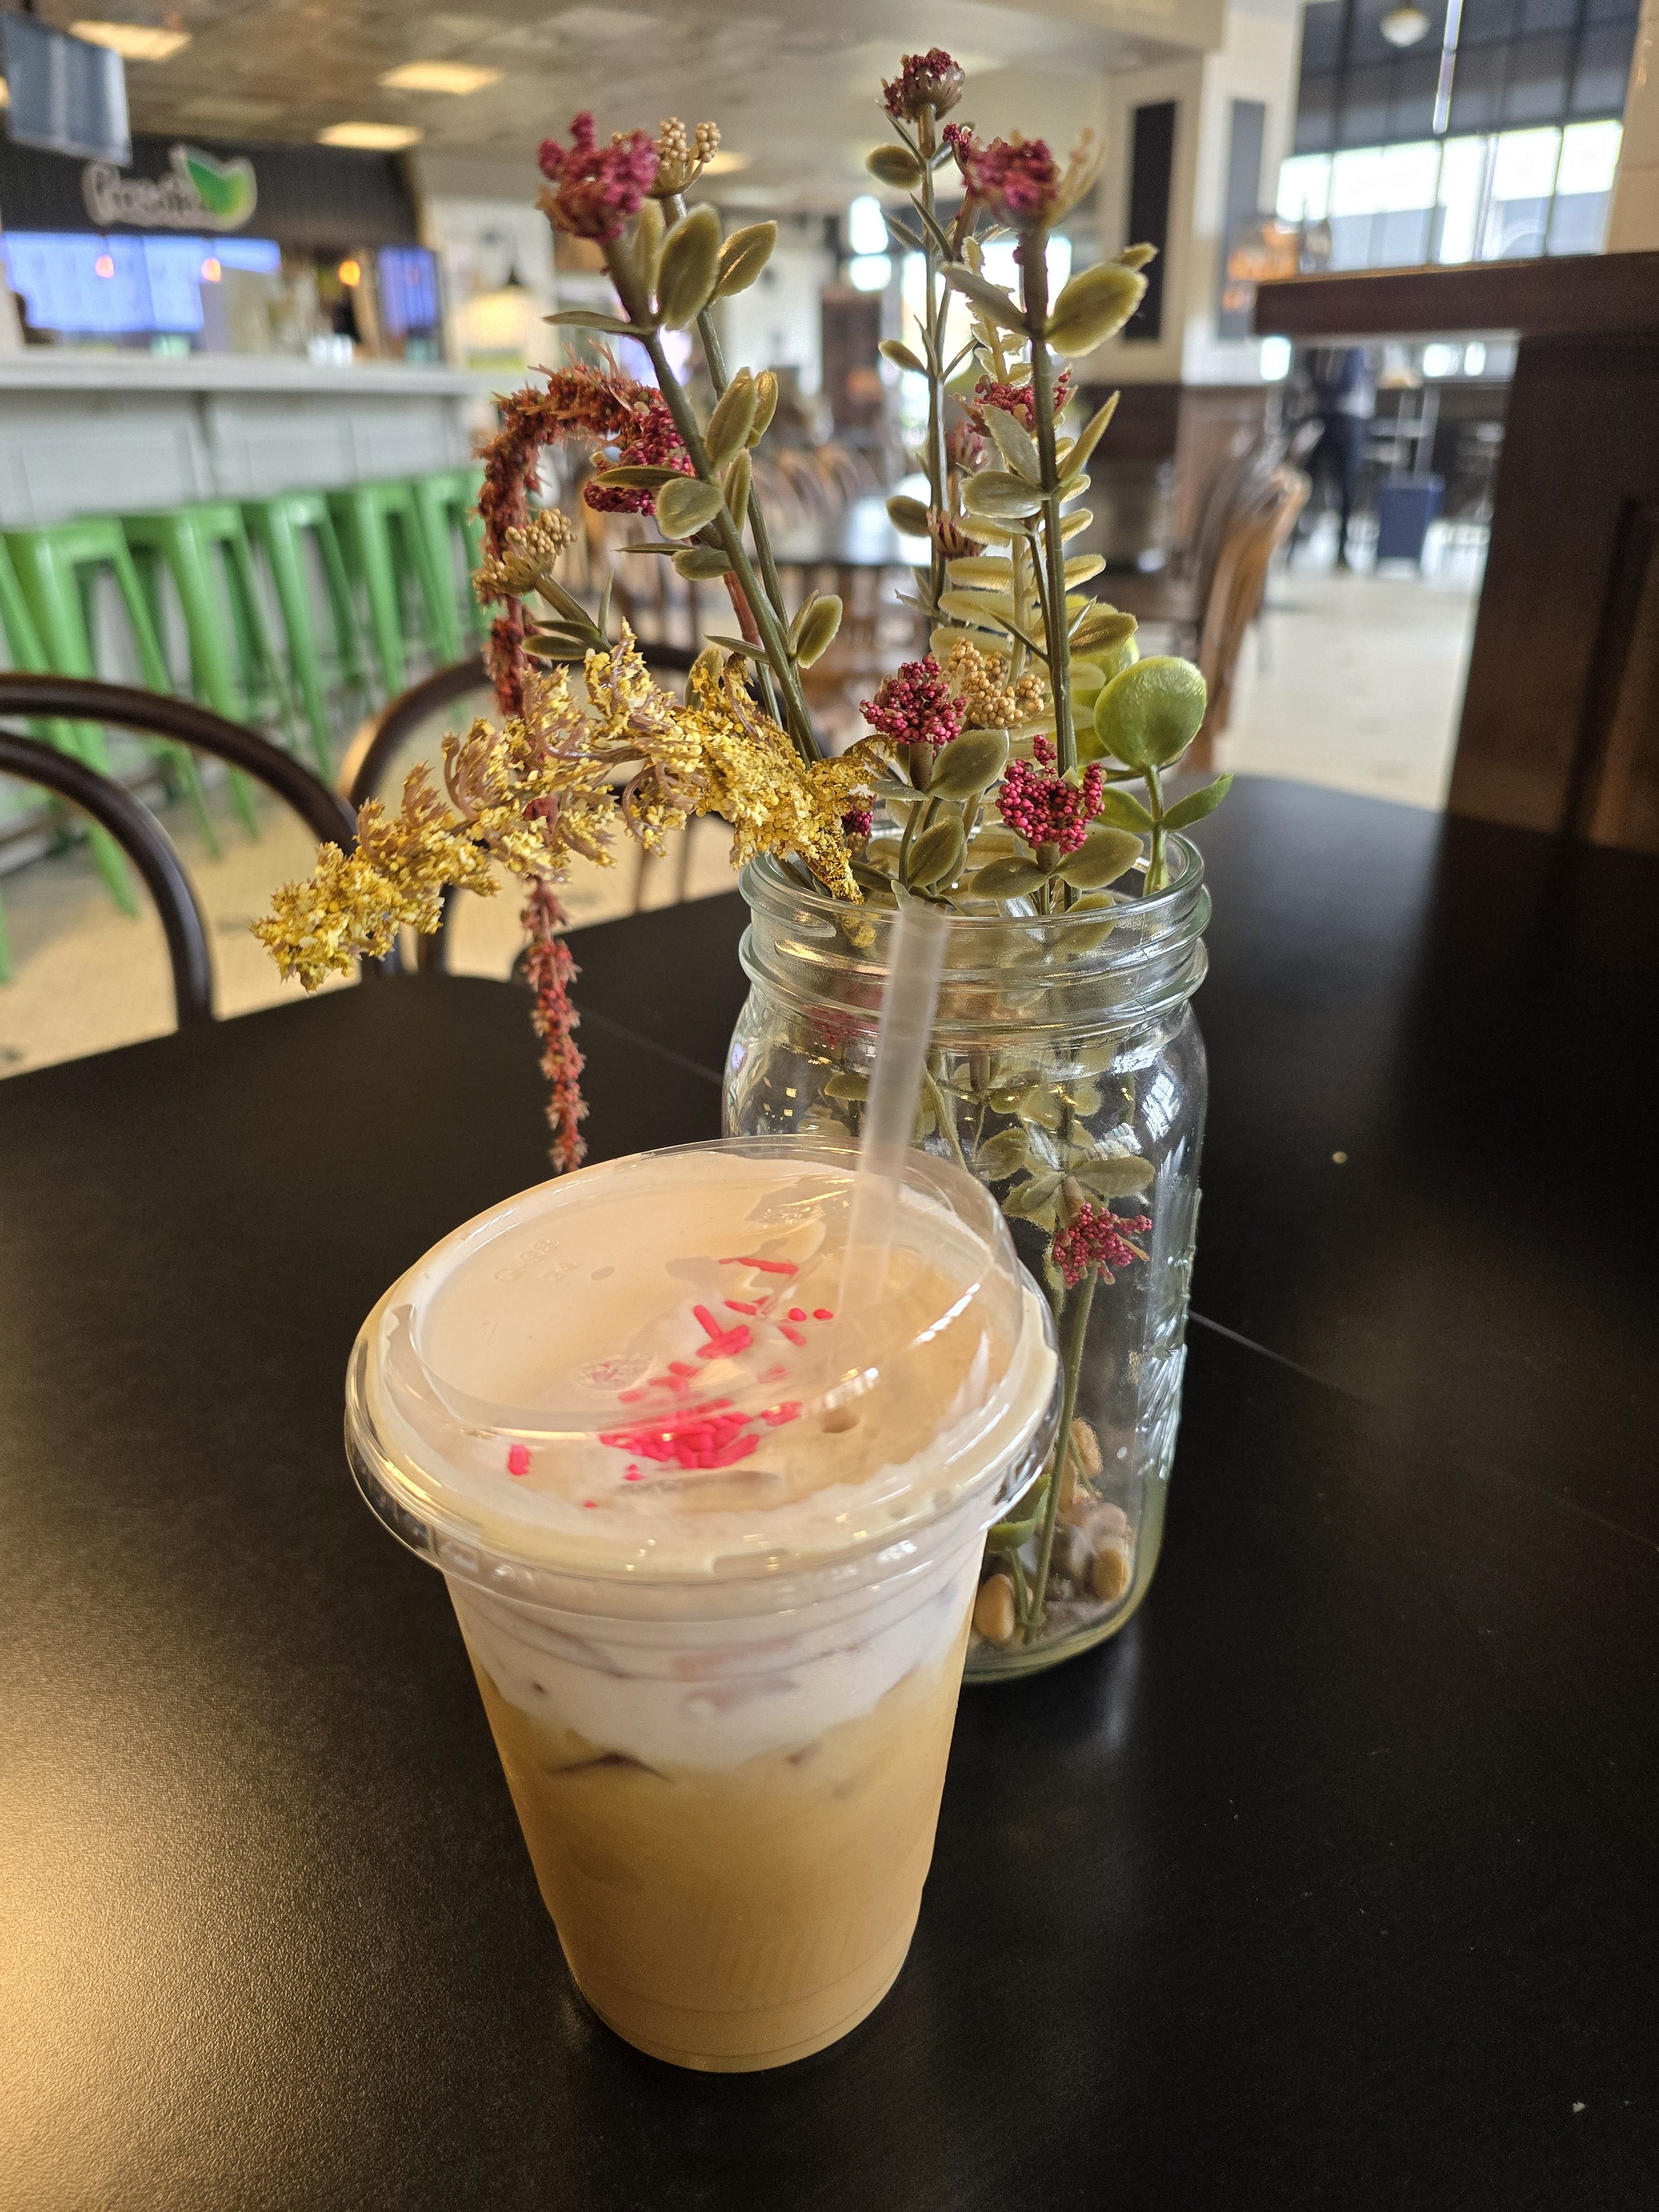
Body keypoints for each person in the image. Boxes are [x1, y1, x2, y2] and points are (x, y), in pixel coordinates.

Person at [1297, 345, 1375, 569]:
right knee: (1304, 480)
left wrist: (1328, 396)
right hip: (1318, 416)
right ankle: (1293, 542)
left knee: (1346, 486)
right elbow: (1309, 376)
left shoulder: (1357, 349)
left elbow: (1350, 380)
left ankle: (1342, 549)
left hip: (1349, 420)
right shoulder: (1316, 348)